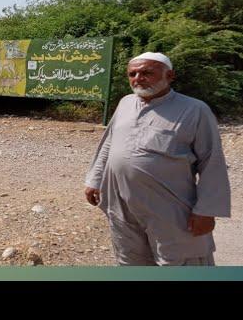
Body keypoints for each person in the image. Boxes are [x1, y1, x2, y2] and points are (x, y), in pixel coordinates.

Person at [84, 52, 231, 266]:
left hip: (170, 205)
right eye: (132, 74)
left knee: (180, 260)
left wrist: (206, 211)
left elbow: (212, 161)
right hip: (121, 202)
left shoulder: (195, 110)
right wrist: (94, 180)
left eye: (146, 73)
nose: (137, 78)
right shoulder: (126, 103)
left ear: (169, 75)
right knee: (130, 259)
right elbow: (109, 143)